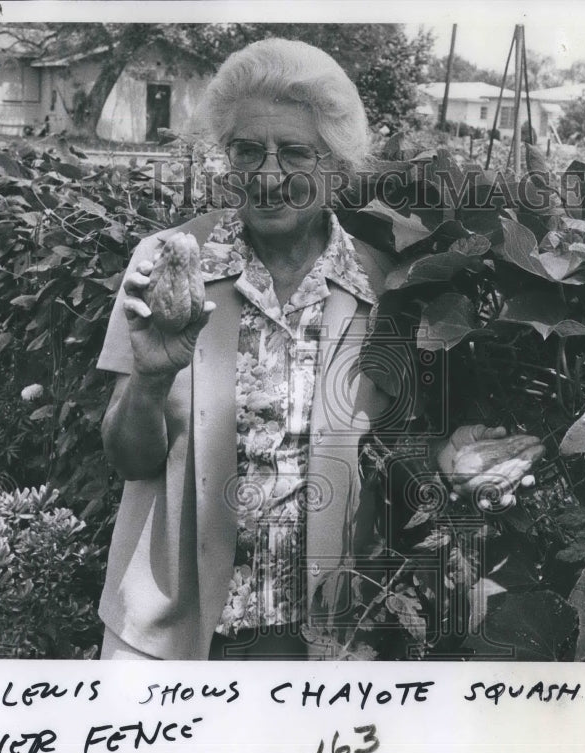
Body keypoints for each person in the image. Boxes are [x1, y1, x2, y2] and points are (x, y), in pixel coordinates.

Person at [96, 38, 544, 660]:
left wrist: (444, 461)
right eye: (248, 150)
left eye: (296, 154)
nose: (270, 176)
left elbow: (387, 447)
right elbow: (127, 459)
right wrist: (147, 381)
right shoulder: (170, 263)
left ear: (335, 165)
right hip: (175, 635)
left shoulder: (386, 286)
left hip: (324, 636)